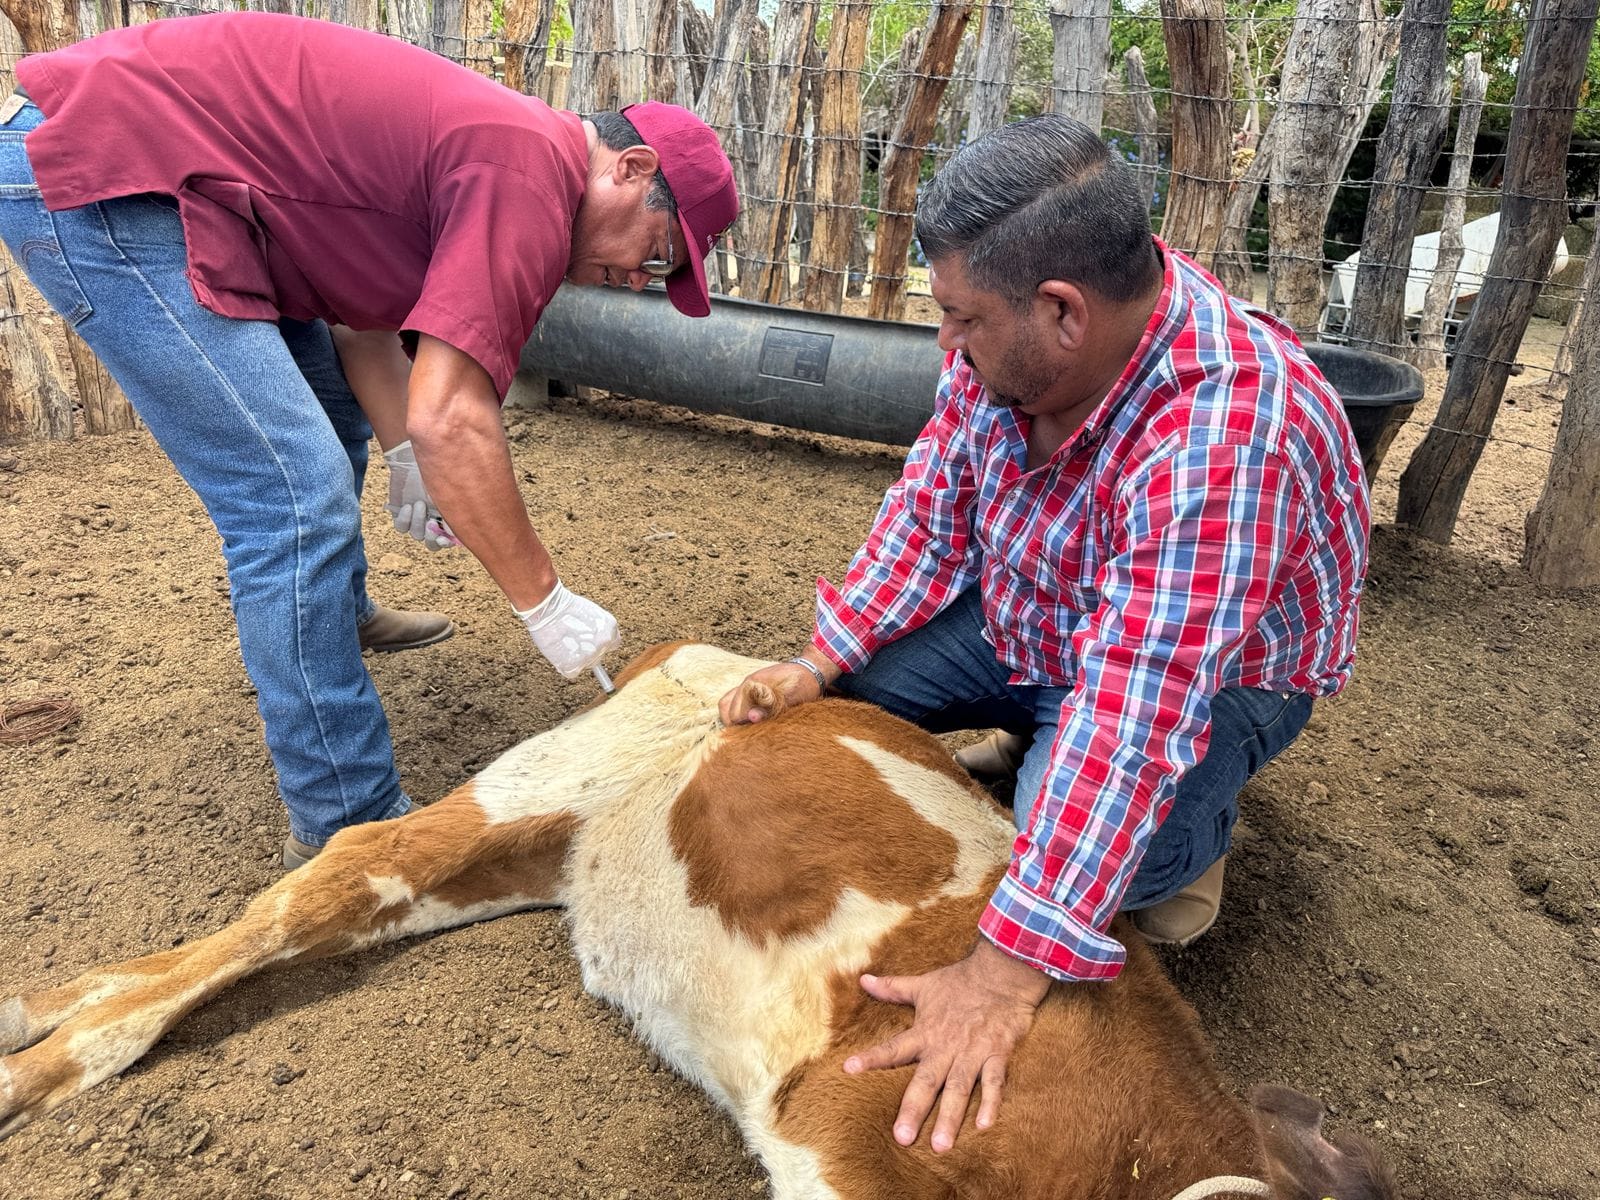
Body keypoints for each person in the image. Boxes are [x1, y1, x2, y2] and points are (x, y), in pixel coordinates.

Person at [719, 115, 1370, 1154]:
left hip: (1214, 677)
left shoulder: (1229, 430)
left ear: (1061, 311)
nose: (945, 343)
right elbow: (928, 513)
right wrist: (819, 660)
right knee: (845, 715)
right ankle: (1038, 761)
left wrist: (1002, 973)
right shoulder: (1001, 357)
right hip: (1036, 611)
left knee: (1100, 855)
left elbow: (1137, 702)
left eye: (960, 318)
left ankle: (1190, 841)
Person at [0, 12, 738, 868]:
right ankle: (345, 818)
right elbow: (452, 415)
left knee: (330, 412)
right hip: (108, 174)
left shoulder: (511, 155)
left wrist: (402, 462)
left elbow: (364, 328)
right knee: (291, 497)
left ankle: (334, 615)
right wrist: (545, 600)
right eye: (657, 250)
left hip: (186, 185)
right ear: (631, 167)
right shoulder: (530, 175)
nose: (642, 279)